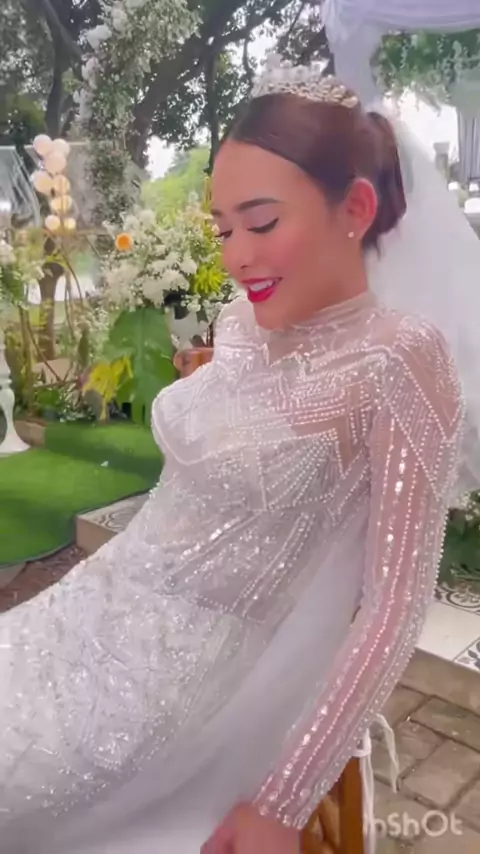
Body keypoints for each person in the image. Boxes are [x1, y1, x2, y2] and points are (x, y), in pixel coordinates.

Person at [0, 56, 476, 854]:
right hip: (99, 602)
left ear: (355, 208)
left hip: (179, 683)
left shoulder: (400, 360)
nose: (237, 256)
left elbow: (393, 611)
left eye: (261, 224)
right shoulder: (243, 322)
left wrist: (282, 804)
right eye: (224, 230)